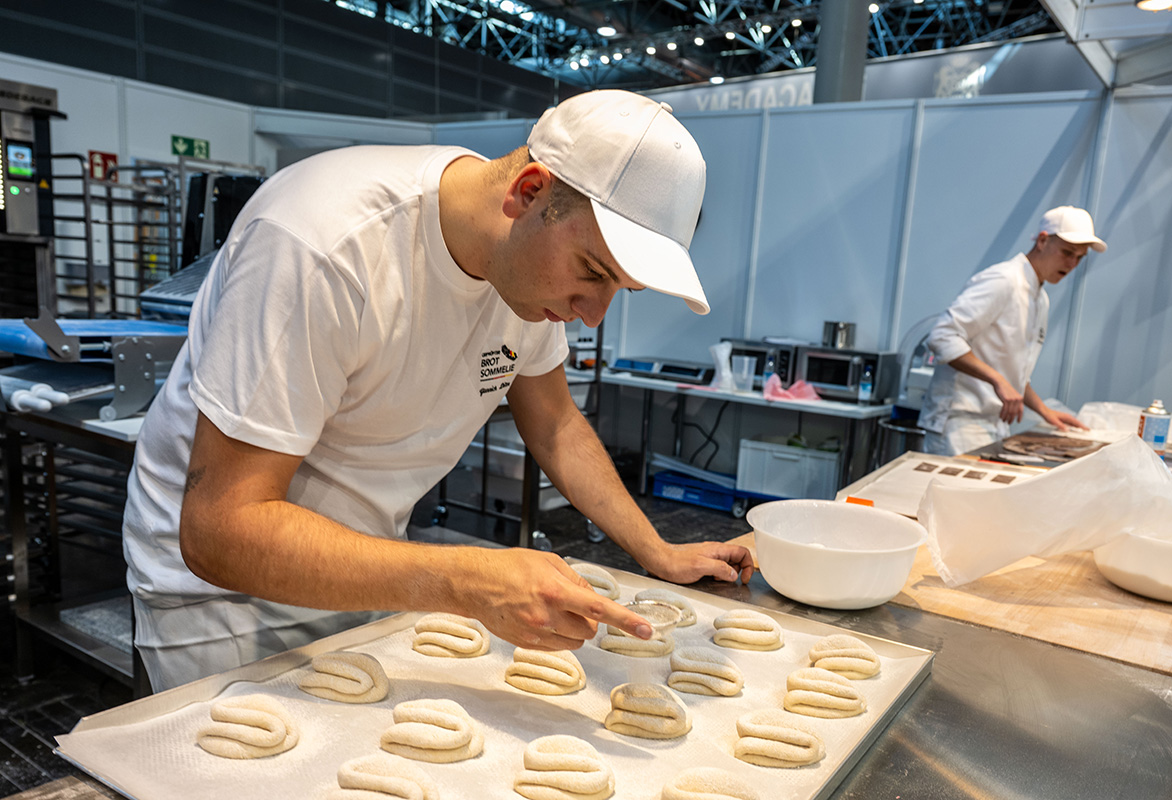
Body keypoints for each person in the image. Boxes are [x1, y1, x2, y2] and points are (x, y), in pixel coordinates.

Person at [122, 90, 754, 692]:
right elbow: (220, 529)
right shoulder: (324, 245)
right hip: (221, 607)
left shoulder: (527, 276)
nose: (592, 314)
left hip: (367, 576)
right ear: (529, 192)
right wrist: (462, 579)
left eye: (618, 287)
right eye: (591, 271)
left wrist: (656, 550)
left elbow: (556, 423)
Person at [918, 206, 1105, 456]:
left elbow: (1014, 374)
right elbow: (942, 335)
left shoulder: (1040, 299)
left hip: (994, 425)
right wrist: (998, 381)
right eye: (1067, 252)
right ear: (1042, 241)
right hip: (959, 424)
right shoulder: (1003, 280)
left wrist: (1044, 411)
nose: (1072, 264)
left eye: (1080, 258)